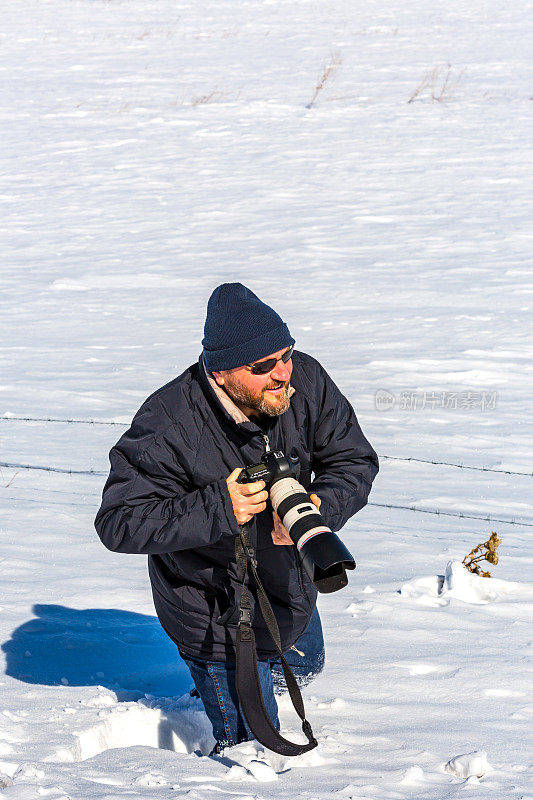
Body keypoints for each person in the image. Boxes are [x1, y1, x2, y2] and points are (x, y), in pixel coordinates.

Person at [95, 283, 379, 754]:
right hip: (214, 610)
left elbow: (353, 461)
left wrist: (315, 507)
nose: (282, 374)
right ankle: (214, 695)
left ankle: (245, 682)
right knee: (253, 749)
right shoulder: (169, 423)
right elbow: (119, 521)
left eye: (286, 354)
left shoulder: (304, 380)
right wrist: (219, 507)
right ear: (222, 372)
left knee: (307, 665)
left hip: (290, 580)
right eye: (263, 366)